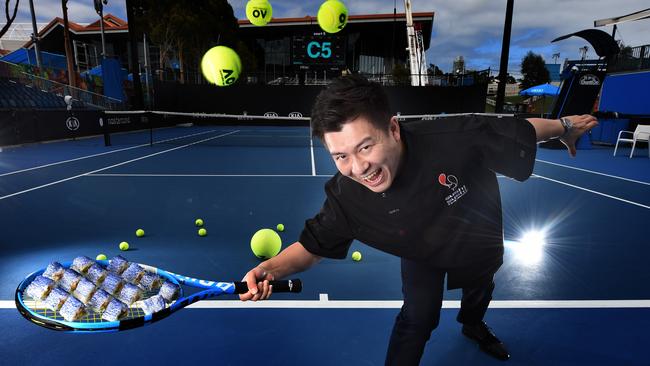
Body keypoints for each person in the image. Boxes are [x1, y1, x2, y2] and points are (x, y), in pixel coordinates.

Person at [239, 75, 598, 365]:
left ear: (393, 129)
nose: (358, 167)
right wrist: (269, 269)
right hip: (421, 248)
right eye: (341, 156)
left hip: (477, 234)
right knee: (417, 319)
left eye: (365, 147)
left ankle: (473, 325)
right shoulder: (346, 196)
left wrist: (564, 125)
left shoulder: (453, 139)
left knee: (481, 288)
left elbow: (520, 129)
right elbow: (312, 248)